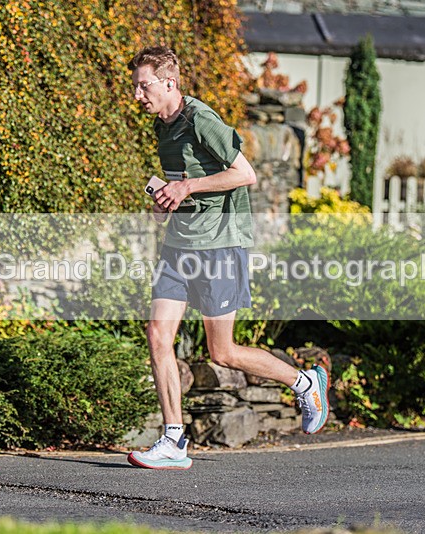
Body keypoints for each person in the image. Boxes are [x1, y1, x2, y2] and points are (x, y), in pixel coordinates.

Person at [126, 46, 330, 469]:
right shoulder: (163, 128)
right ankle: (173, 440)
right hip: (180, 244)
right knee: (157, 335)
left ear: (170, 83)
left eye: (144, 86)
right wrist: (170, 196)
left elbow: (245, 174)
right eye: (135, 87)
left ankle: (304, 380)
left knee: (223, 353)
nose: (138, 95)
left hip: (219, 245)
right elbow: (187, 183)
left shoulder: (201, 119)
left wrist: (186, 189)